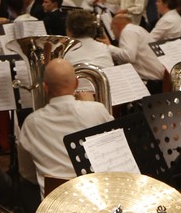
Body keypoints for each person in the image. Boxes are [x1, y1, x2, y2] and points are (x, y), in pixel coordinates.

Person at [16, 58, 113, 196]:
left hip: (56, 201)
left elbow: (26, 172)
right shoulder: (97, 110)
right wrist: (92, 106)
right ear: (76, 83)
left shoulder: (31, 123)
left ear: (45, 87)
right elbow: (114, 150)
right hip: (97, 194)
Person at [106, 11, 167, 93]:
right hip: (158, 80)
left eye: (112, 29)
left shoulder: (127, 31)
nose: (114, 35)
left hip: (151, 84)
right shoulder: (138, 29)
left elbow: (129, 56)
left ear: (116, 25)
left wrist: (108, 46)